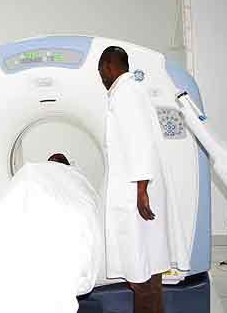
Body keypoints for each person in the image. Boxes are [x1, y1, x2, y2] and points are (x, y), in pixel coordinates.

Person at [98, 46, 170, 313]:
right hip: (136, 188)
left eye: (101, 72)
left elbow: (139, 142)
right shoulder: (130, 92)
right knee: (146, 266)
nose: (102, 79)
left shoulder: (125, 93)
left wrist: (141, 190)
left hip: (135, 192)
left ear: (107, 66)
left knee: (141, 271)